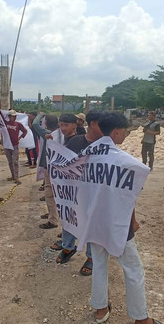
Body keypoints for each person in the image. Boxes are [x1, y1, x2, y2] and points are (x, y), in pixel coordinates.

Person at [91, 111, 162, 324]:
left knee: (99, 264)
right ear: (116, 132)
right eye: (124, 131)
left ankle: (100, 309)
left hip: (94, 222)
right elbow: (127, 198)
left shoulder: (86, 156)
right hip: (117, 224)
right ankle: (141, 319)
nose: (126, 135)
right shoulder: (126, 162)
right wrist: (132, 220)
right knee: (133, 269)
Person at [54, 110, 104, 276]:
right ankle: (68, 247)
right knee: (69, 216)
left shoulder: (106, 145)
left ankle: (91, 257)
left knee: (90, 223)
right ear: (93, 124)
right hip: (74, 191)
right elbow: (64, 164)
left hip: (93, 193)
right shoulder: (75, 142)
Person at [32, 113, 60, 229]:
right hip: (59, 168)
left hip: (50, 167)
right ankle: (54, 214)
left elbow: (34, 124)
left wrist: (40, 114)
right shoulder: (61, 134)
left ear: (46, 124)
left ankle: (53, 219)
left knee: (49, 194)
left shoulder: (47, 134)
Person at [2, 110, 28, 184]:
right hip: (7, 145)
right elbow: (1, 117)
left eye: (15, 116)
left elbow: (25, 131)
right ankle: (13, 175)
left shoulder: (18, 124)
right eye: (13, 116)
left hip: (15, 144)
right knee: (10, 161)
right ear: (9, 117)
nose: (14, 117)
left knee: (15, 161)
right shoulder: (5, 123)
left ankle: (16, 177)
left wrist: (19, 138)